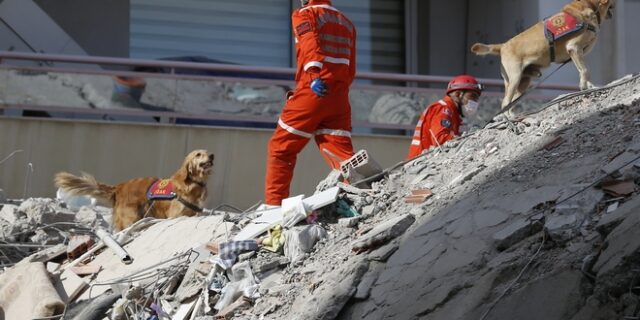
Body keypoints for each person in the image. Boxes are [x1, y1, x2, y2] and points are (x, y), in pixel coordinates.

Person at [262, 0, 357, 208]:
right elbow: (351, 66)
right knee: (341, 155)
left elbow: (309, 43)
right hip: (339, 95)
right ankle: (362, 194)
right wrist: (339, 87)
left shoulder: (304, 14)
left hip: (314, 89)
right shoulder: (346, 21)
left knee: (281, 148)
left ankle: (272, 206)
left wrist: (314, 75)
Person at [406, 75, 483, 160]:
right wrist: (466, 140)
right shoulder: (443, 109)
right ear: (458, 94)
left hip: (423, 161)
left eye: (476, 99)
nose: (474, 102)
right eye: (472, 96)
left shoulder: (452, 113)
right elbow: (440, 140)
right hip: (420, 163)